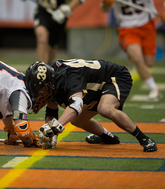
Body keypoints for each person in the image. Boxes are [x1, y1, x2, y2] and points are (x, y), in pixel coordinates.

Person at [24, 59, 157, 152]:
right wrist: (52, 136)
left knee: (105, 108)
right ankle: (108, 138)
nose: (38, 96)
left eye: (39, 91)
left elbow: (76, 104)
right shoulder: (51, 79)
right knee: (77, 120)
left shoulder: (68, 78)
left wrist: (54, 128)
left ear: (48, 84)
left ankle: (144, 139)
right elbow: (51, 112)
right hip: (95, 86)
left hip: (114, 77)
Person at [101, 0, 164, 100]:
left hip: (146, 25)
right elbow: (103, 9)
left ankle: (138, 61)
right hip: (127, 27)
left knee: (149, 63)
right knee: (137, 58)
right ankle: (154, 89)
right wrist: (106, 2)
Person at [16, 0, 86, 64]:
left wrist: (66, 9)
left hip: (59, 15)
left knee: (51, 46)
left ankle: (47, 67)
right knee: (42, 39)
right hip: (42, 11)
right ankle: (41, 71)